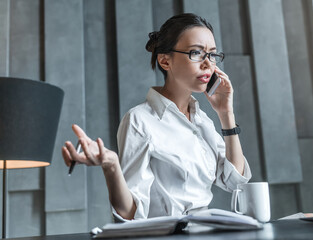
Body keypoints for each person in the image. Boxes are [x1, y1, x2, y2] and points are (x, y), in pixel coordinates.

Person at [62, 13, 250, 221]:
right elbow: (129, 214)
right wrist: (112, 165)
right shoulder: (139, 120)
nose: (208, 64)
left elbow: (235, 182)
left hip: (207, 230)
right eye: (196, 53)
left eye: (212, 55)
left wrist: (226, 114)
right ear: (165, 61)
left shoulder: (201, 119)